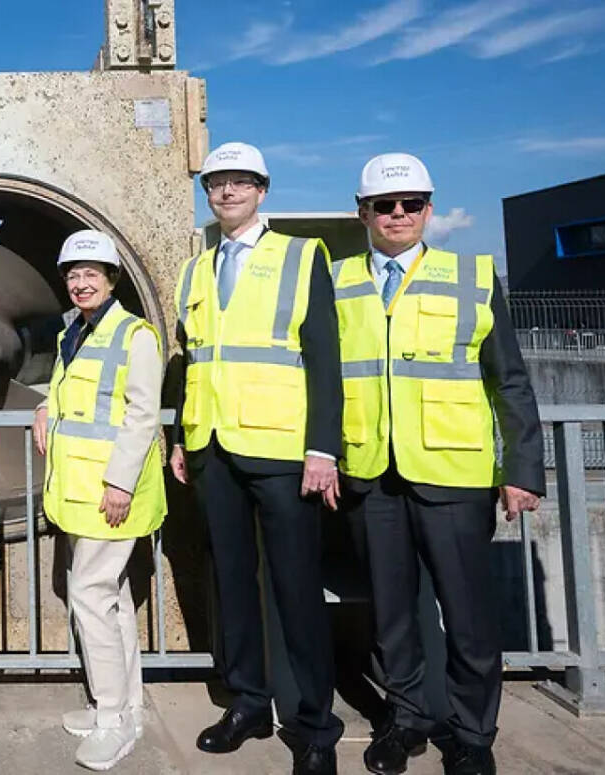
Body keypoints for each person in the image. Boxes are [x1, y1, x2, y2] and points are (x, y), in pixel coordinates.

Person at [334, 153, 544, 775]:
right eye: (385, 206)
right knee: (393, 615)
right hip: (372, 474)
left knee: (470, 617)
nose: (399, 215)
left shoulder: (472, 275)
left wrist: (522, 468)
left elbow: (509, 380)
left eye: (413, 204)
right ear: (362, 212)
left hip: (454, 475)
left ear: (429, 208)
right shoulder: (338, 279)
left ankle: (474, 735)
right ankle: (408, 721)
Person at [168, 142, 344, 775]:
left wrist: (323, 447)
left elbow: (324, 357)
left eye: (240, 183)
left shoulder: (301, 256)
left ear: (262, 191)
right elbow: (194, 363)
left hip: (282, 452)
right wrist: (186, 439)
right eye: (216, 184)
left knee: (296, 590)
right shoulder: (197, 270)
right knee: (232, 585)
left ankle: (314, 728)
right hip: (215, 451)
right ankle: (248, 702)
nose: (227, 193)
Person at [32, 230, 166, 771]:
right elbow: (74, 394)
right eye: (73, 275)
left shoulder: (134, 336)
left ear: (112, 280)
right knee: (112, 599)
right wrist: (44, 406)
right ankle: (127, 706)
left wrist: (120, 483)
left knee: (89, 595)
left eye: (92, 274)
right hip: (82, 489)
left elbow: (141, 414)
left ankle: (113, 720)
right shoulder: (77, 333)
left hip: (112, 492)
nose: (81, 283)